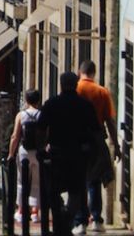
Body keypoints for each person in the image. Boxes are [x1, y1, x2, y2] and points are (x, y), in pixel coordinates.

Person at [39, 72, 100, 236]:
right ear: (75, 85)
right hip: (78, 155)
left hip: (56, 154)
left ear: (60, 84)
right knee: (76, 191)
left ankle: (61, 221)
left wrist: (43, 147)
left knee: (53, 190)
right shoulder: (85, 105)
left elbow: (40, 127)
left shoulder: (51, 104)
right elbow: (95, 129)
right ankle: (66, 219)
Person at [76, 60, 119, 234]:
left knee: (79, 182)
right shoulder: (102, 92)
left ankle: (80, 221)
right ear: (94, 73)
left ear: (80, 72)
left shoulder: (75, 91)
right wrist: (116, 144)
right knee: (94, 181)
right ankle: (96, 219)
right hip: (96, 140)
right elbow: (109, 121)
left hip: (77, 140)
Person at [8, 89, 44, 224]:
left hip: (24, 151)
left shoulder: (21, 115)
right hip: (39, 151)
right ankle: (35, 212)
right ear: (38, 100)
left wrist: (11, 153)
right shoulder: (42, 114)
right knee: (37, 182)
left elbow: (15, 136)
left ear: (27, 100)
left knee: (22, 182)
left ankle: (21, 211)